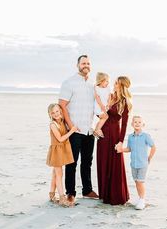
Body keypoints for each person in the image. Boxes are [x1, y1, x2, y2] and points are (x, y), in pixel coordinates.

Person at [59, 55, 99, 205]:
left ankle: (87, 190)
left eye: (88, 63)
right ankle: (71, 193)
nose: (86, 65)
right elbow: (62, 105)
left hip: (89, 129)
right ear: (77, 65)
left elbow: (97, 105)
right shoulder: (69, 82)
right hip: (74, 130)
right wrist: (70, 125)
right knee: (72, 162)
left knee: (87, 162)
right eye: (83, 63)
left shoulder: (93, 84)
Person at [97, 76, 132, 205]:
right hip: (103, 134)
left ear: (121, 86)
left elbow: (124, 125)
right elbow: (100, 110)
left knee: (115, 163)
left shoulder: (125, 102)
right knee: (103, 162)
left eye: (116, 83)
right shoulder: (110, 96)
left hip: (114, 135)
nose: (114, 84)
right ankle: (104, 194)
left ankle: (116, 196)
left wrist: (121, 142)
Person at [118, 116, 156, 210]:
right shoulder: (130, 137)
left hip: (143, 164)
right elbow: (129, 149)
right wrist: (121, 150)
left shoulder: (146, 136)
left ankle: (142, 200)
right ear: (132, 124)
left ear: (143, 124)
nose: (137, 124)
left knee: (140, 182)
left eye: (139, 122)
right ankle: (140, 198)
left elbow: (153, 147)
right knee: (136, 182)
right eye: (135, 122)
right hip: (133, 164)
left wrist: (149, 158)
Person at [46, 103, 77, 207]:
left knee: (55, 173)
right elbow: (60, 139)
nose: (55, 114)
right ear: (50, 114)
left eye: (57, 111)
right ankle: (62, 197)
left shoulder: (62, 120)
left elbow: (65, 110)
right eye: (53, 113)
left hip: (62, 150)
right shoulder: (53, 125)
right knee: (59, 174)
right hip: (56, 151)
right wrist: (72, 131)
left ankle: (51, 194)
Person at [93, 72, 111, 138]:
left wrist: (108, 104)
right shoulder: (96, 88)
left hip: (105, 107)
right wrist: (102, 106)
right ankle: (97, 130)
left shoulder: (108, 88)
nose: (108, 83)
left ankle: (97, 130)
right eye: (106, 81)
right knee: (105, 117)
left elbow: (109, 96)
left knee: (104, 117)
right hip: (99, 107)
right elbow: (97, 99)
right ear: (101, 81)